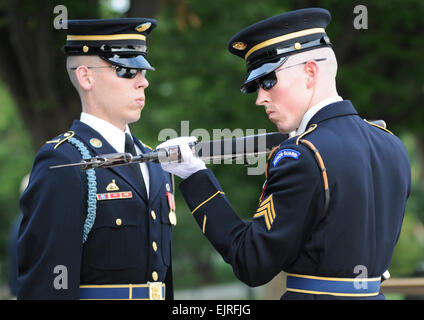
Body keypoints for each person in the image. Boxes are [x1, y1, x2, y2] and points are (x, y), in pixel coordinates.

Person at [157, 8, 411, 299]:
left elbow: (251, 262)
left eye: (268, 81)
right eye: (256, 87)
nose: (260, 98)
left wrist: (195, 176)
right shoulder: (391, 144)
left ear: (310, 72)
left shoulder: (301, 156)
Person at [18, 18, 176, 300]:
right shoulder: (64, 162)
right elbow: (48, 286)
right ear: (86, 77)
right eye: (128, 71)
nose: (143, 82)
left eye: (143, 71)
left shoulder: (154, 161)